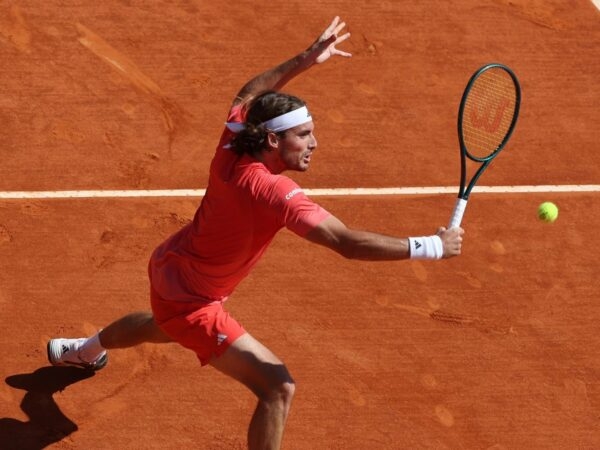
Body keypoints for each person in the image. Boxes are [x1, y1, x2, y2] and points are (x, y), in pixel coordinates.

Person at [47, 16, 464, 450]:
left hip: (173, 267)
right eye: (303, 135)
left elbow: (250, 92)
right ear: (270, 140)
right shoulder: (274, 191)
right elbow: (345, 242)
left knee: (161, 325)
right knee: (277, 387)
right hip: (194, 301)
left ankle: (86, 349)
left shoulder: (232, 145)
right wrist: (432, 246)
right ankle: (89, 347)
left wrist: (306, 59)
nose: (314, 143)